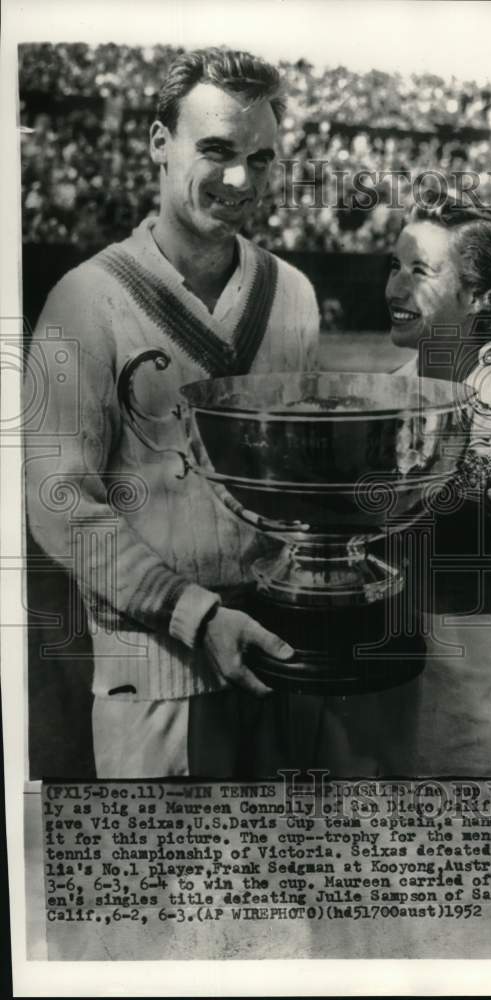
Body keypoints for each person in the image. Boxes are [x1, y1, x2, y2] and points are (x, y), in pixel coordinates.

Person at [26, 48, 324, 779]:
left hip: (277, 658)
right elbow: (58, 500)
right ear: (160, 144)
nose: (239, 180)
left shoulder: (294, 295)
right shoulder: (83, 299)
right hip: (154, 677)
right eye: (216, 151)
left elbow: (299, 481)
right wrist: (195, 612)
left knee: (282, 891)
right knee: (165, 893)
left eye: (261, 159)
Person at [384, 194, 491, 775]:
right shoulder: (375, 399)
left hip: (462, 698)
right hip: (366, 684)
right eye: (394, 266)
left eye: (421, 272)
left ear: (484, 298)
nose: (395, 288)